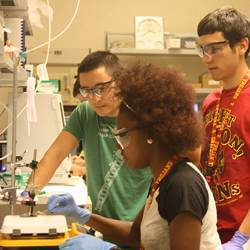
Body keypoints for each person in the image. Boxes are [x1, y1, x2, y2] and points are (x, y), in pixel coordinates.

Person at [48, 64, 222, 249]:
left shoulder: (183, 185)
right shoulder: (164, 178)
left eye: (123, 135)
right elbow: (135, 234)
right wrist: (82, 216)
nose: (117, 145)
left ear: (150, 134)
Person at [26, 51, 152, 248]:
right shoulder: (85, 113)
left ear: (120, 81)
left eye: (101, 88)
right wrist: (29, 194)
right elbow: (55, 153)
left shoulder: (143, 115)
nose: (95, 98)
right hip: (103, 225)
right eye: (87, 90)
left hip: (138, 229)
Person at [196, 6, 250, 243]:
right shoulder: (210, 102)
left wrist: (242, 238)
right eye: (203, 49)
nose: (207, 58)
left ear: (242, 46)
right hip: (211, 230)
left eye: (215, 49)